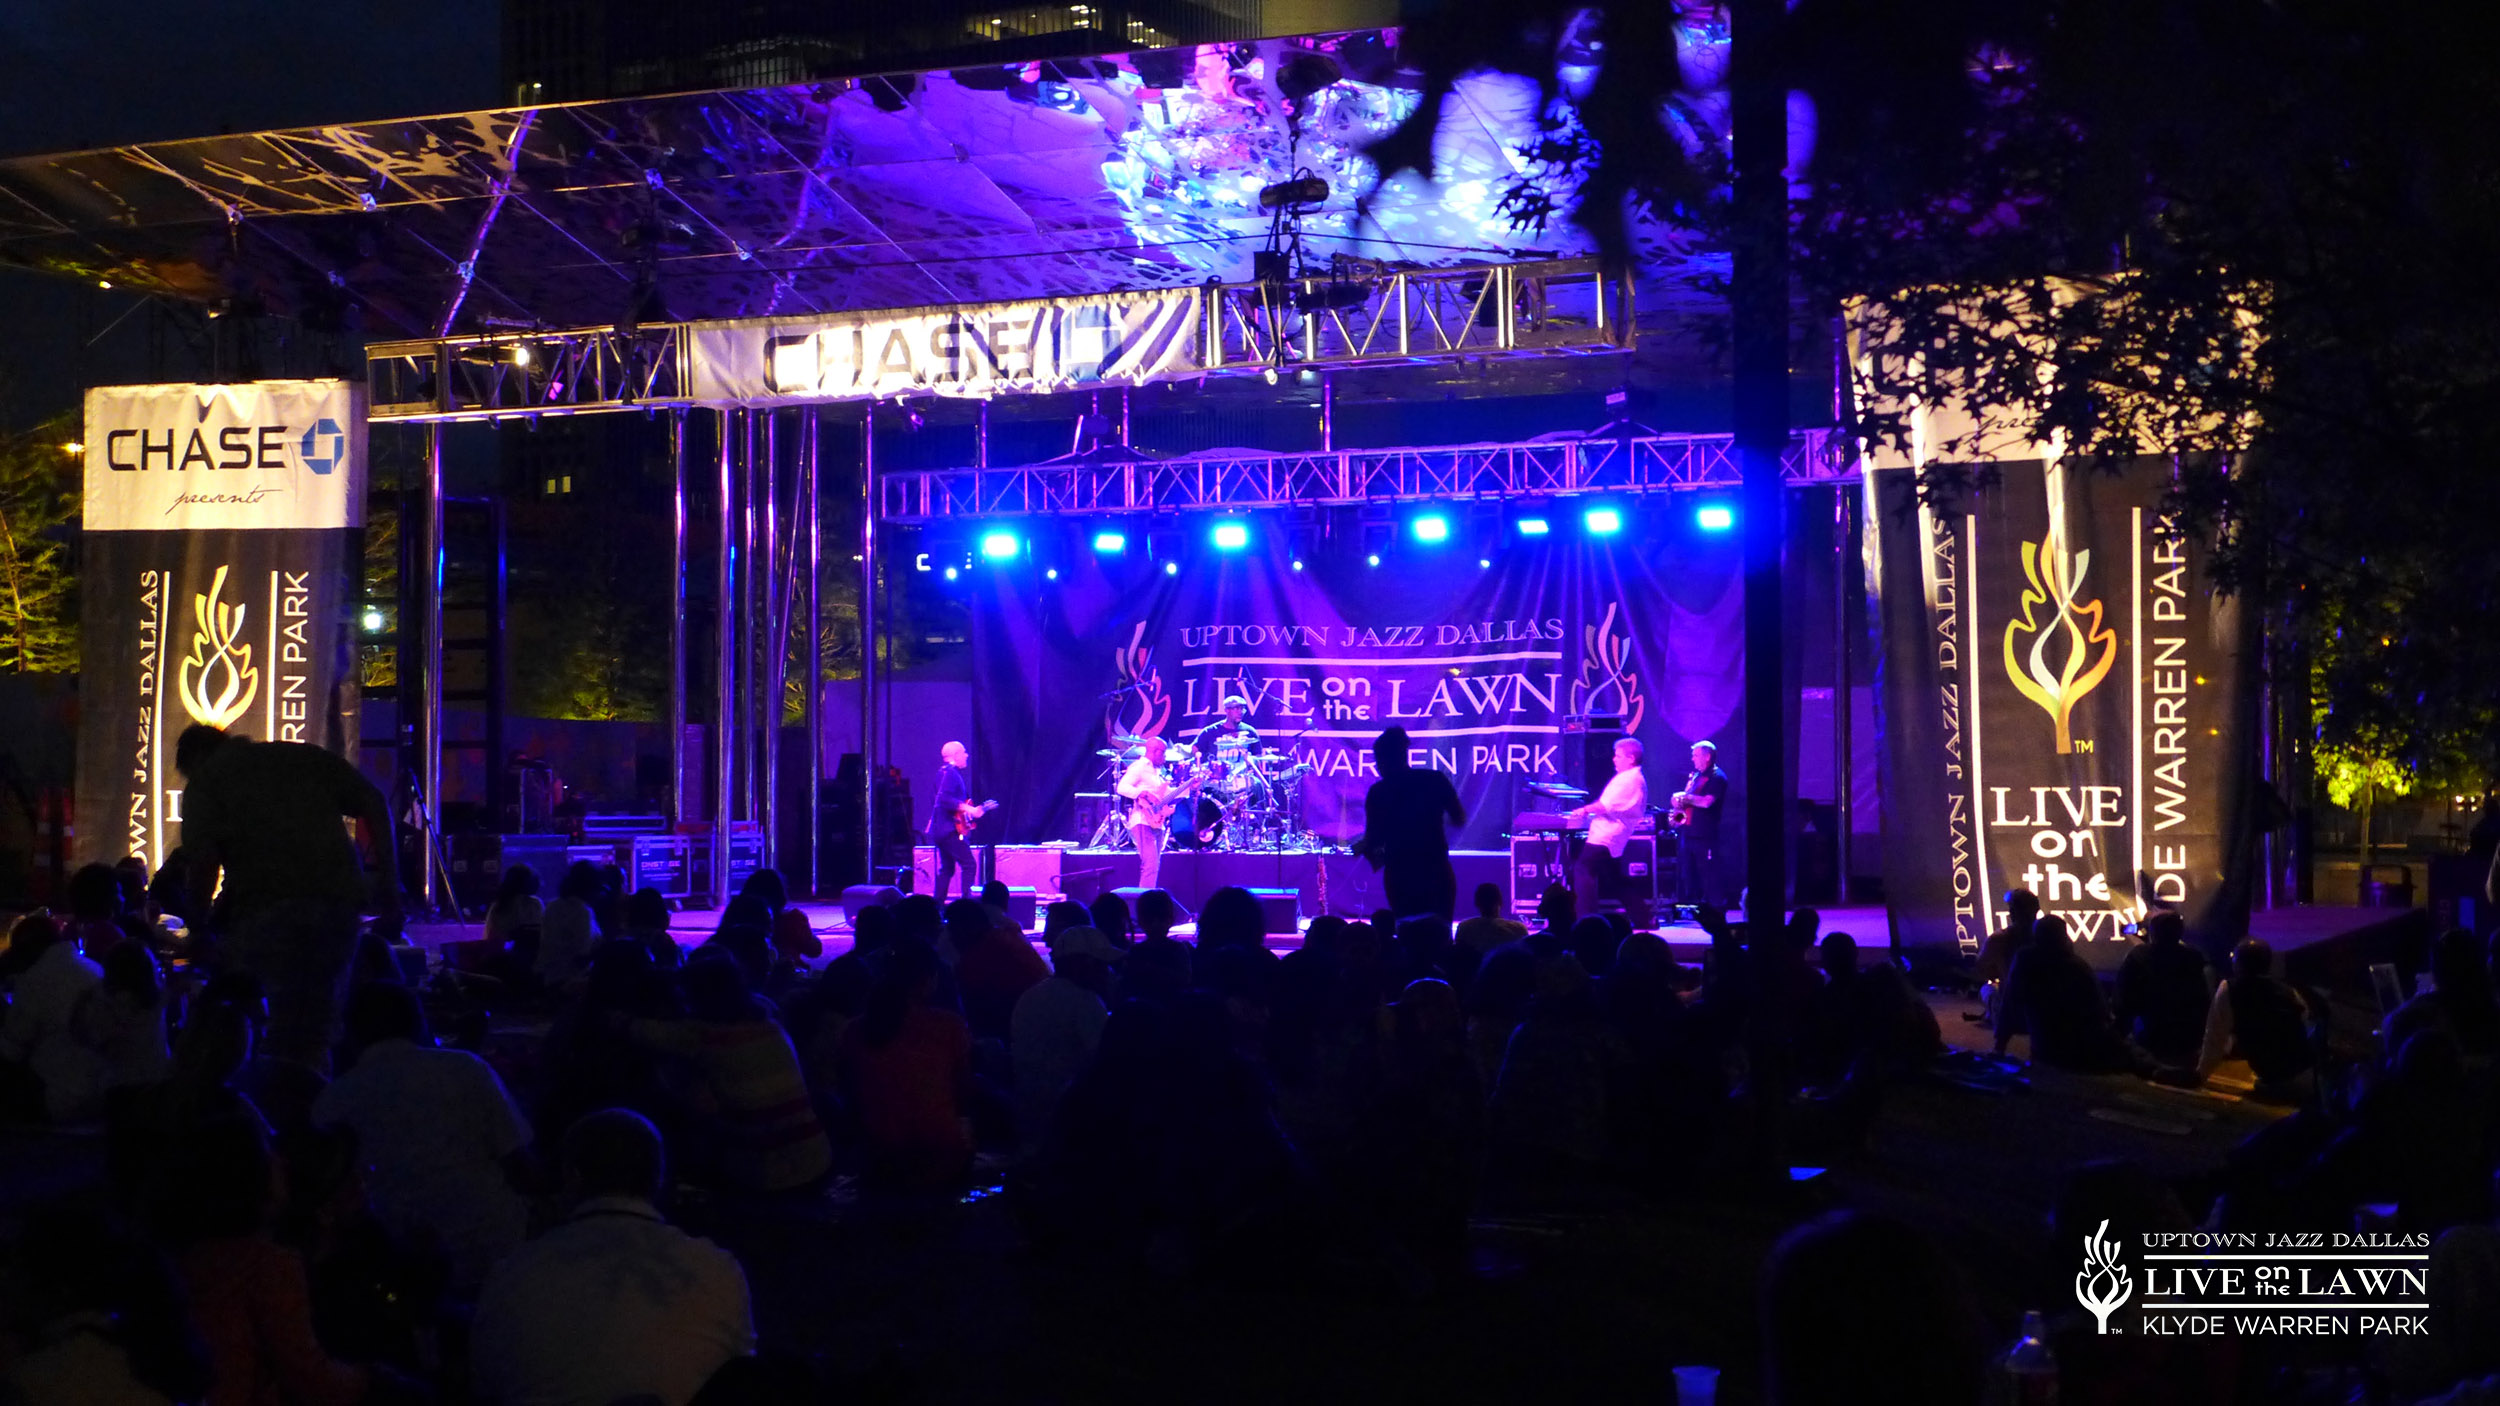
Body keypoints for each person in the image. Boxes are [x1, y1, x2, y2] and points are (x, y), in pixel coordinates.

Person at [472, 1109, 755, 1406]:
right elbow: (744, 1377)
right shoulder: (717, 1270)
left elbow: (485, 1383)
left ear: (572, 1176)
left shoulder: (511, 1276)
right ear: (659, 1178)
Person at [173, 723, 399, 1069]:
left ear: (195, 759)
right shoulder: (302, 758)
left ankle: (274, 1096)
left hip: (266, 912)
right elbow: (375, 801)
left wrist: (199, 929)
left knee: (269, 1030)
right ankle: (317, 1093)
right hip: (337, 909)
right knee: (318, 1031)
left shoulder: (208, 781)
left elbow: (204, 865)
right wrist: (389, 886)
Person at [312, 982, 535, 1293]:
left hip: (398, 1266)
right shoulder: (465, 1068)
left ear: (350, 1033)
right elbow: (518, 1161)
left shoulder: (333, 1100)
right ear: (419, 1021)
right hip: (495, 1248)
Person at [158, 1114, 373, 1406]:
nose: (282, 1162)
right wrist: (375, 1380)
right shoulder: (267, 1267)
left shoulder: (184, 1258)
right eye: (268, 1154)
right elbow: (312, 1377)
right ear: (247, 1176)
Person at [620, 952, 831, 1193]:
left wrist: (610, 1013)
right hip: (816, 1155)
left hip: (765, 1172)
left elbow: (640, 1030)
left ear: (698, 998)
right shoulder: (770, 1024)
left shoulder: (702, 1036)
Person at [838, 941, 975, 1194]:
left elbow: (852, 1094)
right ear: (930, 979)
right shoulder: (948, 1025)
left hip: (878, 1155)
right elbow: (963, 1093)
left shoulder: (854, 1030)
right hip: (941, 1155)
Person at [1010, 925, 1119, 1151]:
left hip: (1027, 1108)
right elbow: (1107, 1060)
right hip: (1070, 1116)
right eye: (1103, 964)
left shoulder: (1032, 995)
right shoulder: (1085, 1001)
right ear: (1086, 964)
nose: (1108, 972)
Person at [0, 913, 110, 1123]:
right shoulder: (93, 968)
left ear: (26, 951)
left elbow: (10, 1051)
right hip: (99, 1093)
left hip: (58, 1094)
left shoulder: (36, 980)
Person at [1992, 915, 2135, 1074]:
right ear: (2063, 937)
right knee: (2131, 1050)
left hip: (2044, 1048)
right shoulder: (2078, 967)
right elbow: (2101, 1012)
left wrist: (2000, 1045)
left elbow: (2010, 1002)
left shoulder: (2025, 960)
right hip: (2080, 1050)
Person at [1356, 726, 1468, 920]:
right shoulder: (1434, 780)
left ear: (1384, 760)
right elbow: (1458, 817)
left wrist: (1364, 847)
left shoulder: (1378, 792)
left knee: (1407, 930)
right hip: (1436, 870)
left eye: (1378, 761)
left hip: (1400, 875)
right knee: (1440, 931)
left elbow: (1373, 838)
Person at [2197, 937, 2322, 1088]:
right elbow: (2305, 1023)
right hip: (2304, 1070)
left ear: (2238, 963)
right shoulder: (2288, 992)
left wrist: (2201, 1074)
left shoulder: (2230, 988)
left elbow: (2215, 1036)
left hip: (2274, 1074)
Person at [1568, 737, 1652, 930]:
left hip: (1606, 835)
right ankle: (1643, 917)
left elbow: (1605, 806)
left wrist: (1583, 810)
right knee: (1615, 879)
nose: (1614, 759)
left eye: (1618, 756)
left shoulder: (1628, 779)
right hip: (1613, 835)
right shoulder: (1632, 778)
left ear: (1631, 758)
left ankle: (1586, 921)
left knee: (1583, 869)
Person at [2113, 912, 2213, 1065]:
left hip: (2150, 1037)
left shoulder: (2139, 956)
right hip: (2188, 1038)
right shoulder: (2194, 957)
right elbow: (2204, 999)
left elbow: (2123, 1000)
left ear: (2153, 932)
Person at [948, 897, 1049, 1042]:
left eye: (952, 930)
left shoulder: (978, 958)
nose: (950, 938)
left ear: (963, 929)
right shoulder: (1009, 938)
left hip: (1015, 1032)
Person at [1116, 735, 1195, 891]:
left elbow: (1167, 794)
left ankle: (1148, 896)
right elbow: (1122, 787)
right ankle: (1144, 900)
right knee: (1150, 865)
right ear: (1155, 751)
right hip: (1142, 821)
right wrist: (1142, 793)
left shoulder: (1157, 772)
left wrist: (1190, 787)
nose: (1165, 757)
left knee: (1154, 865)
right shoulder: (1139, 767)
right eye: (1163, 753)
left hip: (1157, 821)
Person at [925, 741, 990, 903]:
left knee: (947, 869)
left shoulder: (942, 773)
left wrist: (970, 812)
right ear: (955, 755)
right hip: (948, 831)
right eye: (964, 752)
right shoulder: (951, 774)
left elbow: (941, 801)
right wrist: (972, 810)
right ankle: (966, 903)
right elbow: (945, 800)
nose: (967, 755)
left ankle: (937, 905)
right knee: (969, 864)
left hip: (941, 830)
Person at [1669, 739, 1729, 911]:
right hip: (1688, 833)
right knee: (1689, 875)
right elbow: (1685, 805)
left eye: (1695, 755)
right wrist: (1676, 816)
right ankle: (1694, 908)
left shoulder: (1717, 777)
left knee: (1709, 874)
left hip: (1704, 835)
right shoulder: (1695, 776)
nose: (1692, 759)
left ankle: (1717, 909)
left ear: (1707, 757)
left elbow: (1706, 802)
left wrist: (1685, 797)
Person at [537, 861, 605, 992]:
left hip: (548, 978)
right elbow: (581, 957)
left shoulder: (552, 906)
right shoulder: (582, 911)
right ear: (592, 886)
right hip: (571, 982)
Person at [1454, 882, 1526, 957]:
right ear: (1501, 902)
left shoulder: (1465, 927)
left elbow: (1458, 956)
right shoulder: (1518, 928)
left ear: (1477, 903)